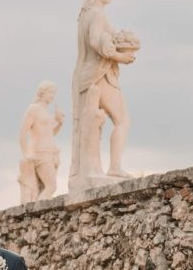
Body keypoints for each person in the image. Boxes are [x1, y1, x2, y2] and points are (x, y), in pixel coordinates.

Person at [69, 0, 139, 190]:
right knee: (122, 120)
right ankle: (115, 168)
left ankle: (91, 169)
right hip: (99, 74)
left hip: (87, 74)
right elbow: (95, 41)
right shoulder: (97, 14)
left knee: (93, 123)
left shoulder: (85, 14)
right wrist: (120, 56)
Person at [18, 80, 64, 203]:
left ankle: (38, 209)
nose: (52, 96)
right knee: (51, 186)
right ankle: (39, 211)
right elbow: (22, 132)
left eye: (54, 93)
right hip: (40, 152)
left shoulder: (46, 111)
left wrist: (59, 123)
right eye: (50, 92)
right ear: (42, 92)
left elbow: (50, 134)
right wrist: (25, 154)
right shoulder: (33, 109)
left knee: (44, 188)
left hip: (51, 152)